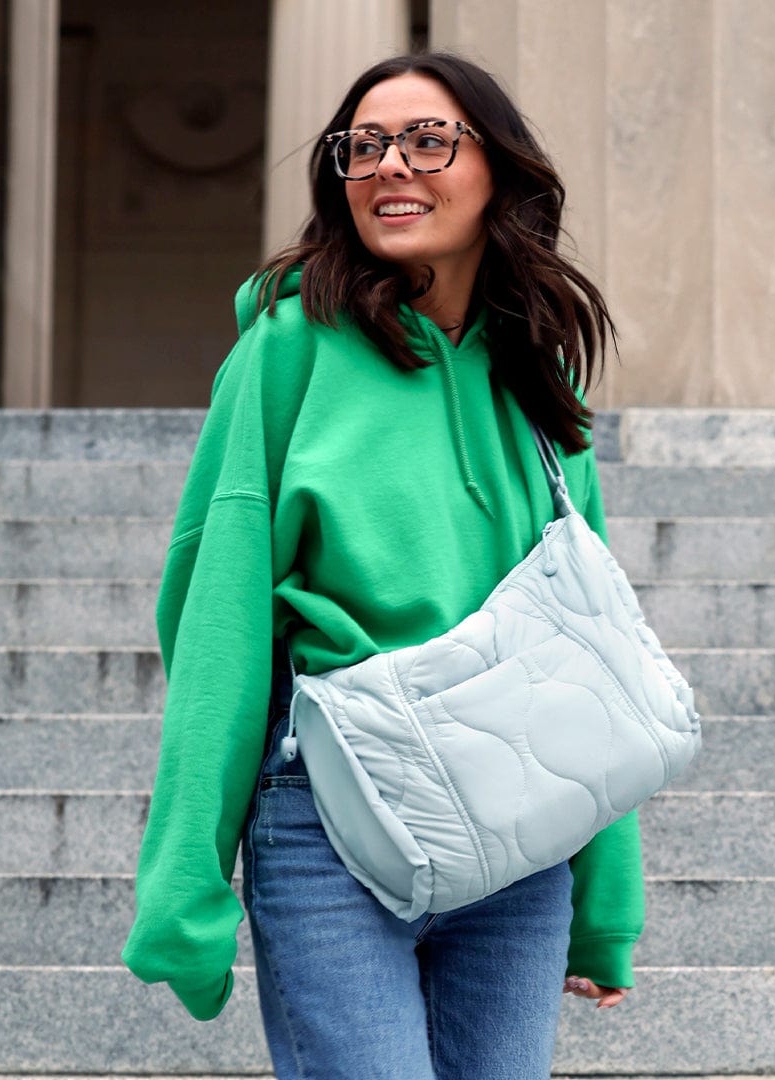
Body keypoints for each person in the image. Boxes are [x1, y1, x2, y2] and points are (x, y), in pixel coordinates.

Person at [122, 51, 644, 1079]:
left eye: (427, 141)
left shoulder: (536, 367)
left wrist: (605, 900)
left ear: (499, 168)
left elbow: (592, 649)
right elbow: (218, 612)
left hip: (522, 833)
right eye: (362, 147)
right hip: (332, 821)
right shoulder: (286, 349)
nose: (390, 166)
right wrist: (186, 881)